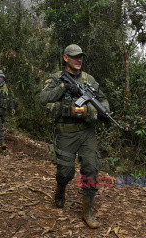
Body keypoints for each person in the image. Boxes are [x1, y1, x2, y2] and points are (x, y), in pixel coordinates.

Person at [40, 44, 110, 229]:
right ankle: (60, 189)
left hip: (87, 132)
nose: (79, 60)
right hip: (66, 132)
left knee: (91, 168)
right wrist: (64, 87)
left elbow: (103, 100)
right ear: (65, 58)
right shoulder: (56, 78)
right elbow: (44, 99)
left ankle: (87, 212)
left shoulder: (89, 80)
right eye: (74, 57)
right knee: (65, 173)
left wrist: (91, 111)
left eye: (81, 57)